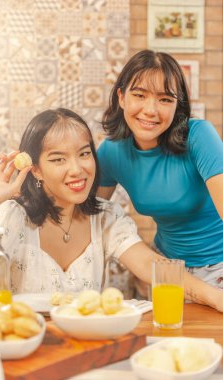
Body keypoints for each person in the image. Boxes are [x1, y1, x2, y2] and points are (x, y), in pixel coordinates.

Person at [0, 108, 223, 312]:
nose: (77, 169)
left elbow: (149, 264)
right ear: (35, 169)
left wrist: (214, 297)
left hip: (87, 349)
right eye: (58, 159)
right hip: (27, 346)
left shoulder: (105, 217)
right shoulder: (13, 216)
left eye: (84, 153)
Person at [97, 49, 223, 290]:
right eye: (140, 95)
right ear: (122, 97)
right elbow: (88, 216)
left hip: (218, 268)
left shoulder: (198, 136)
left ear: (178, 106)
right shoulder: (112, 151)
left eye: (165, 99)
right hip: (168, 268)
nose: (151, 110)